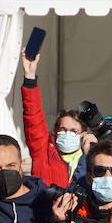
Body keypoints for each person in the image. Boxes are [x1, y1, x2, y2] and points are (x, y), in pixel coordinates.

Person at [19, 52, 80, 188]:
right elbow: (33, 118)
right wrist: (30, 78)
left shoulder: (90, 159)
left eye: (74, 131)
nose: (67, 134)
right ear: (56, 130)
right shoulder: (43, 151)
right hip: (44, 208)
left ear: (83, 134)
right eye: (63, 129)